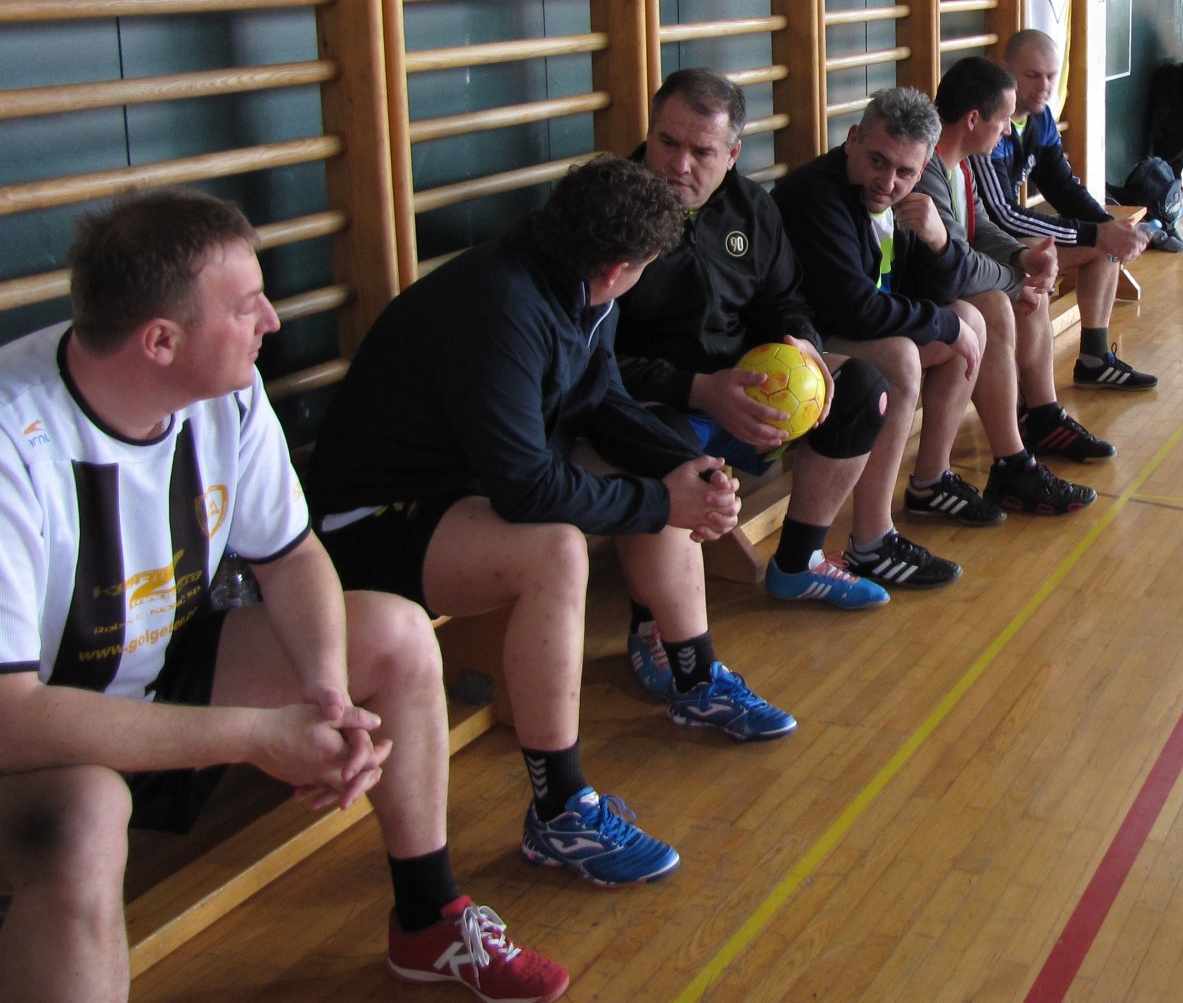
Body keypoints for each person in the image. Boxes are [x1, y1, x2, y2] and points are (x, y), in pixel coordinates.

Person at [0, 190, 567, 1003]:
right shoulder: (15, 441)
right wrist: (258, 736)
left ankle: (427, 918)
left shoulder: (224, 392)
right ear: (160, 341)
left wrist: (328, 697)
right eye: (246, 306)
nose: (271, 319)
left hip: (153, 667)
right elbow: (13, 717)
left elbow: (293, 556)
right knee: (83, 819)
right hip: (35, 730)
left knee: (397, 634)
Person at [305, 156, 797, 896]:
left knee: (662, 477)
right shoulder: (500, 305)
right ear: (619, 270)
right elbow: (526, 487)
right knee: (558, 551)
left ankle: (696, 680)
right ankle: (559, 810)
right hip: (370, 523)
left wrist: (689, 472)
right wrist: (664, 503)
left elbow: (601, 400)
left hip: (462, 490)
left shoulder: (574, 278)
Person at [615, 67, 958, 635]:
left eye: (702, 152)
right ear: (649, 133)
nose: (679, 164)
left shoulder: (751, 207)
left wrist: (801, 342)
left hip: (744, 383)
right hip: (656, 397)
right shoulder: (614, 213)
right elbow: (592, 361)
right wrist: (701, 390)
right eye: (667, 142)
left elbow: (786, 300)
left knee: (861, 389)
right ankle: (652, 627)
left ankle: (799, 561)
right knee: (659, 442)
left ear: (732, 155)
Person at [773, 88, 1015, 527]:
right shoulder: (816, 195)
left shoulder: (908, 199)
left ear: (922, 169)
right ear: (853, 140)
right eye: (877, 161)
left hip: (854, 328)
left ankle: (930, 482)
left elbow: (938, 293)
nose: (887, 182)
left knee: (971, 319)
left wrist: (939, 243)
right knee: (905, 354)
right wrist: (944, 325)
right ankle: (873, 534)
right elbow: (853, 309)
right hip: (802, 341)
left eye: (905, 171)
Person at [910, 58, 1101, 509]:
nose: (1007, 133)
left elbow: (978, 229)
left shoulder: (961, 164)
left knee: (1022, 290)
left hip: (941, 287)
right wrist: (1017, 279)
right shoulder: (926, 168)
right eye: (1003, 121)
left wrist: (1022, 257)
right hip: (913, 295)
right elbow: (955, 265)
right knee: (997, 302)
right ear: (973, 119)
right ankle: (1013, 464)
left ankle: (1043, 415)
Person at [970, 29, 1160, 400]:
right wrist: (1096, 233)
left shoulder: (1039, 118)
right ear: (1006, 71)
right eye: (1032, 75)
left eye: (1051, 76)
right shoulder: (988, 123)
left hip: (1004, 236)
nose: (1044, 87)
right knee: (1046, 255)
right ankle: (1030, 399)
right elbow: (1000, 216)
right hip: (982, 244)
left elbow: (1063, 186)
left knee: (1104, 241)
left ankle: (1094, 358)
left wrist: (1108, 227)